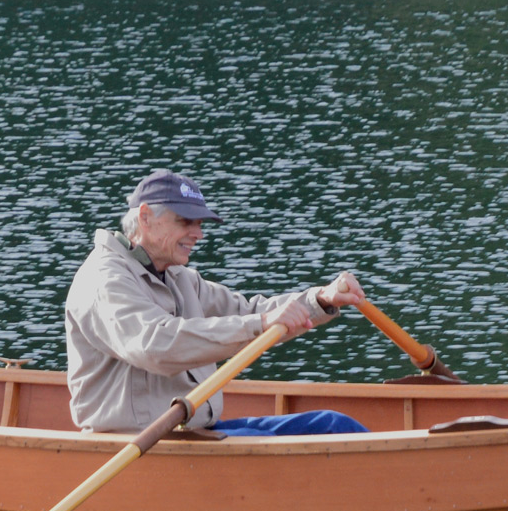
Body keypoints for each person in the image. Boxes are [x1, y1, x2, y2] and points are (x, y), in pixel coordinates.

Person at [65, 171, 371, 437]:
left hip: (195, 432)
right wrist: (259, 325)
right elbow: (155, 344)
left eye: (199, 223)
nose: (197, 234)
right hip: (139, 444)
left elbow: (248, 312)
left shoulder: (179, 277)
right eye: (185, 221)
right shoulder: (103, 280)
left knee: (333, 425)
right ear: (145, 217)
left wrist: (319, 299)